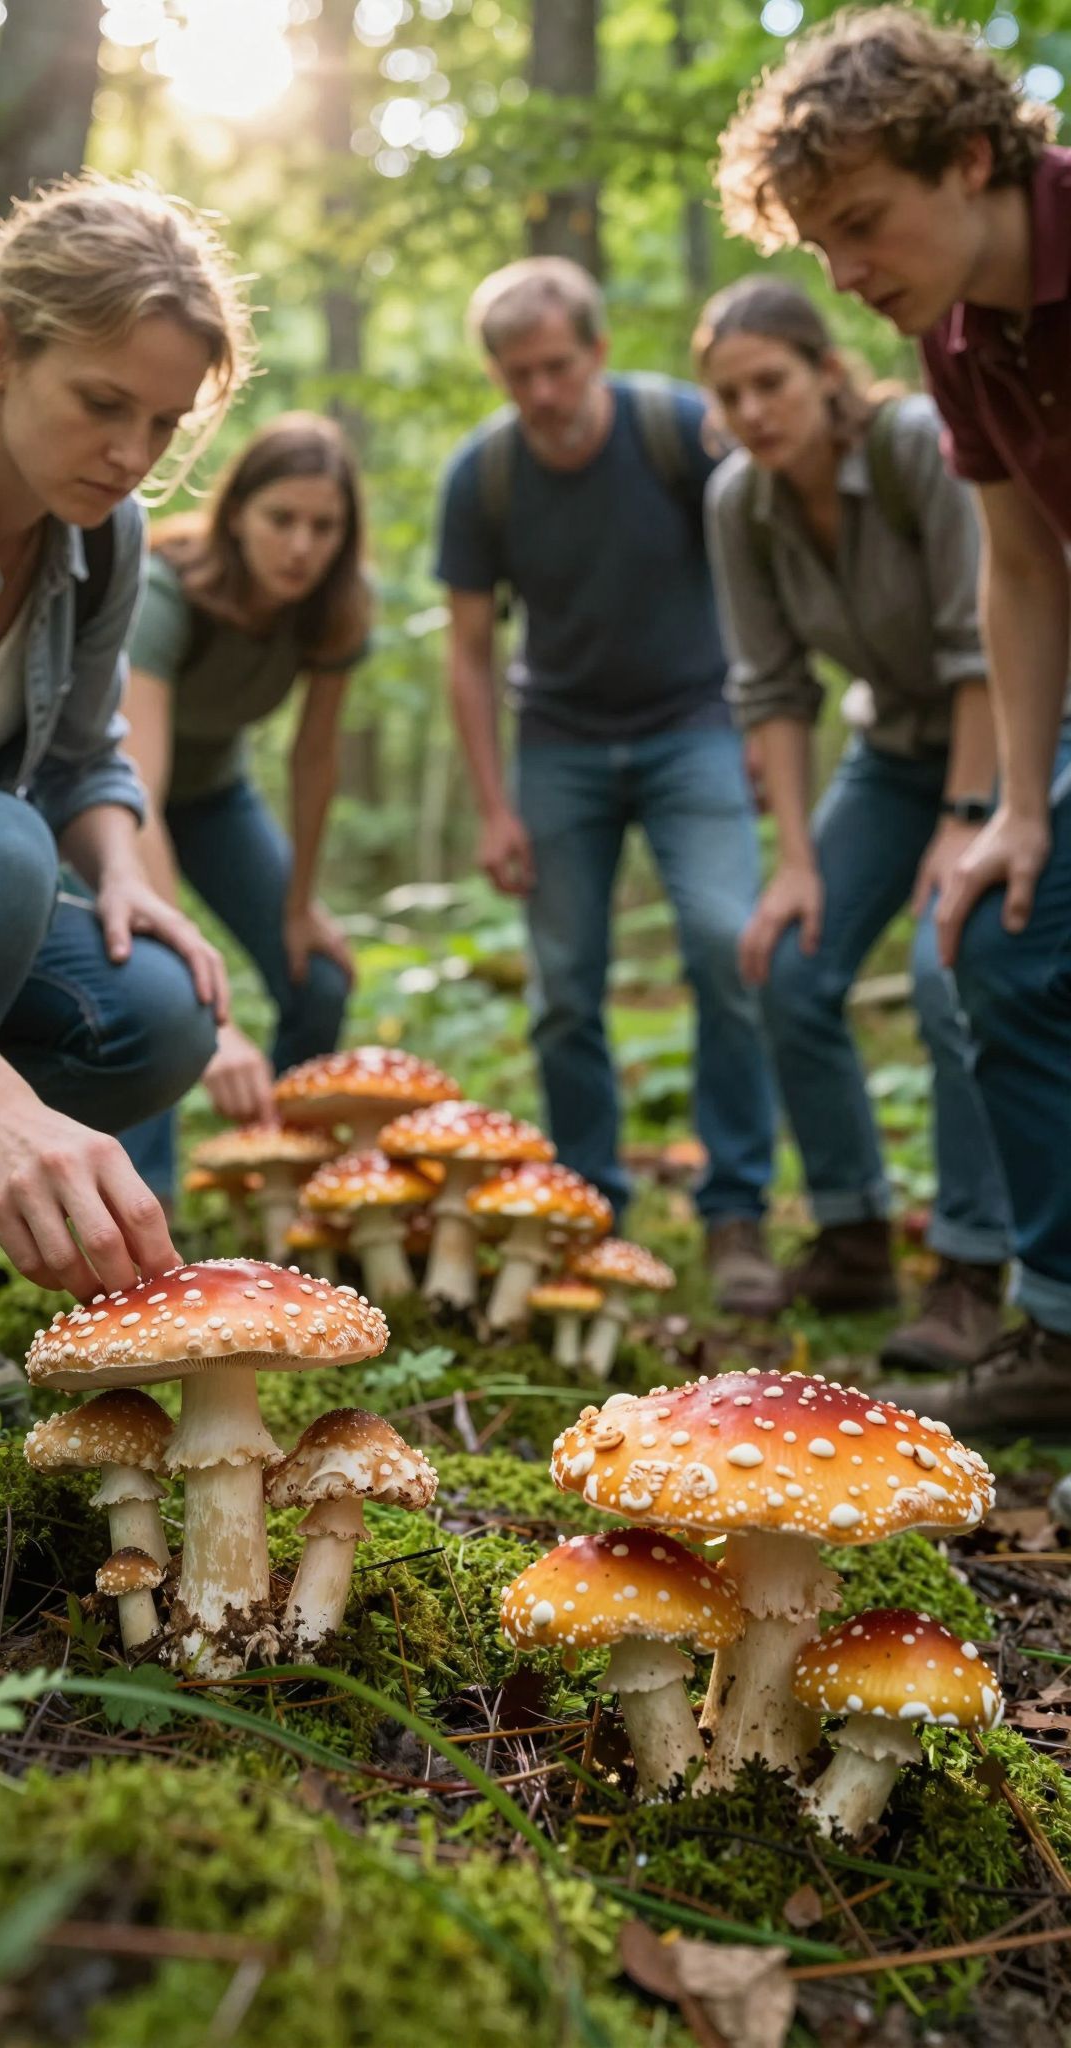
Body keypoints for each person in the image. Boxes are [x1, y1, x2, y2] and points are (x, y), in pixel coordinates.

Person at [714, 6, 1071, 1434]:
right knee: (1001, 934)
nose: (848, 276)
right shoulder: (958, 334)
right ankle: (1052, 1322)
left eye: (865, 227)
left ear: (972, 159)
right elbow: (1025, 567)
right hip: (944, 742)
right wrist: (1018, 814)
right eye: (824, 249)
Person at [0, 174, 253, 1416]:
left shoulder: (101, 535)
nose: (131, 453)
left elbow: (82, 756)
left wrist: (119, 864)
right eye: (102, 404)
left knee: (160, 1012)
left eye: (164, 423)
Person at [435, 255, 777, 1313]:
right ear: (495, 370)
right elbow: (468, 649)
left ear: (596, 351)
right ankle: (586, 1215)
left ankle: (736, 1215)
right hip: (560, 744)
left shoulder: (680, 429)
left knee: (731, 945)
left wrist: (767, 726)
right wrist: (494, 804)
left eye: (555, 364)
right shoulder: (482, 476)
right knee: (562, 988)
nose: (540, 390)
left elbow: (761, 566)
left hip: (696, 727)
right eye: (517, 370)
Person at [697, 275, 1012, 1366]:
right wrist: (792, 861)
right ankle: (851, 1235)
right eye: (730, 394)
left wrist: (969, 818)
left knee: (949, 962)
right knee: (788, 957)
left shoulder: (921, 444)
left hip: (1019, 729)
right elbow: (772, 690)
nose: (753, 411)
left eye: (771, 382)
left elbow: (985, 648)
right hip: (891, 752)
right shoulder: (739, 500)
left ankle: (974, 1267)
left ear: (829, 374)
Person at [119, 413, 368, 1208]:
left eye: (324, 526)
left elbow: (314, 758)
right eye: (281, 519)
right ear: (236, 514)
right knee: (155, 989)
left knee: (319, 977)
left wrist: (299, 907)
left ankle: (289, 1187)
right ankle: (139, 1221)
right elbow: (136, 786)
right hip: (113, 800)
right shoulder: (165, 588)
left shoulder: (337, 608)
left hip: (218, 796)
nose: (302, 545)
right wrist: (198, 993)